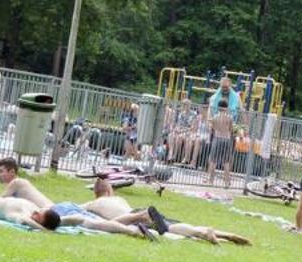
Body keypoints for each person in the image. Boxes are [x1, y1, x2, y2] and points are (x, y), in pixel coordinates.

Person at [84, 176, 249, 243]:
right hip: (138, 211)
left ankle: (205, 233)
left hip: (134, 216)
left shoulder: (93, 204)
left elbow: (72, 208)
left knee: (166, 227)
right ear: (108, 191)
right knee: (169, 226)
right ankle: (212, 232)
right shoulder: (117, 198)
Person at [205, 79, 240, 183]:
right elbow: (231, 129)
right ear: (226, 107)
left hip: (217, 138)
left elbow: (212, 127)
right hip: (227, 139)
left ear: (218, 106)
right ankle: (227, 182)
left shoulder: (215, 117)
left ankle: (210, 180)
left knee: (212, 161)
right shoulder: (230, 117)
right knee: (226, 162)